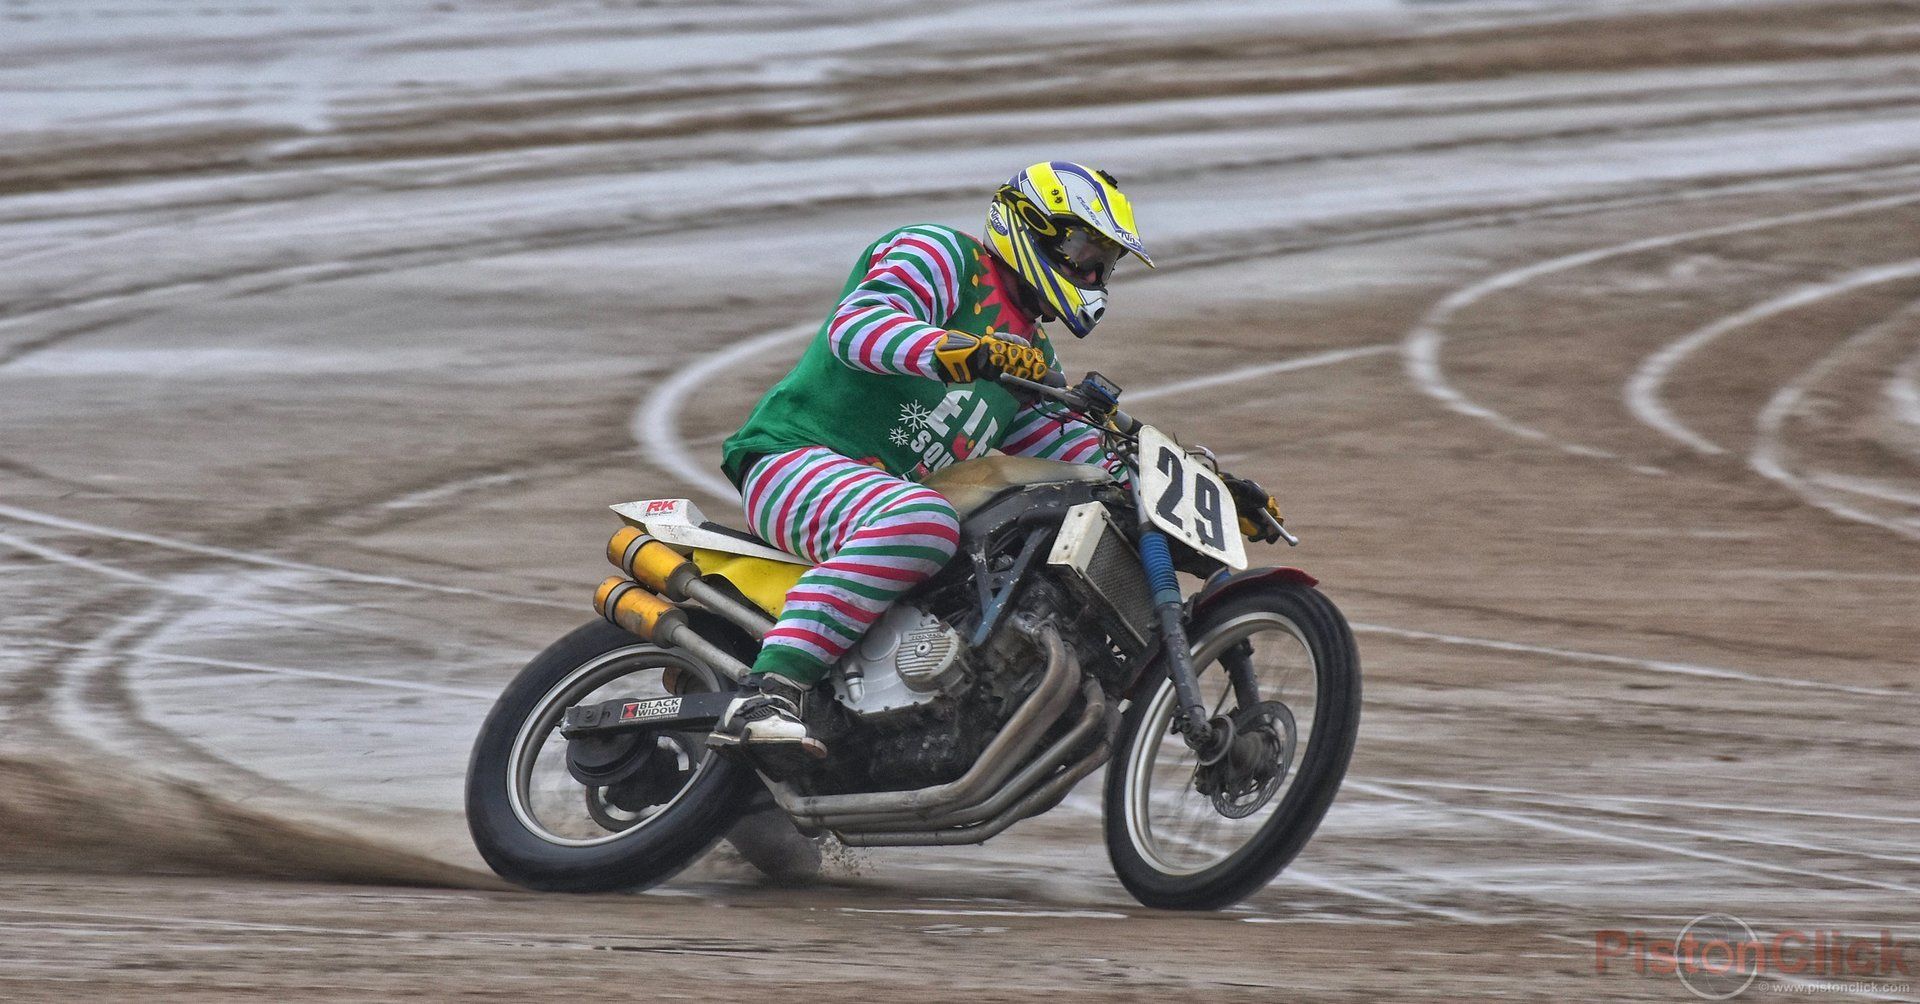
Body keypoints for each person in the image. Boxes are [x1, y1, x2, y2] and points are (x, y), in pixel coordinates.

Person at [709, 161, 1153, 768]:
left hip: (875, 497)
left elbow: (1078, 447)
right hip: (795, 460)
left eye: (1106, 262)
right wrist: (955, 350)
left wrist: (1194, 486)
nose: (1094, 272)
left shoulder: (1029, 356)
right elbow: (856, 327)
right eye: (1083, 248)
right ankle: (765, 693)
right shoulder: (942, 255)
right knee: (927, 521)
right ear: (1032, 225)